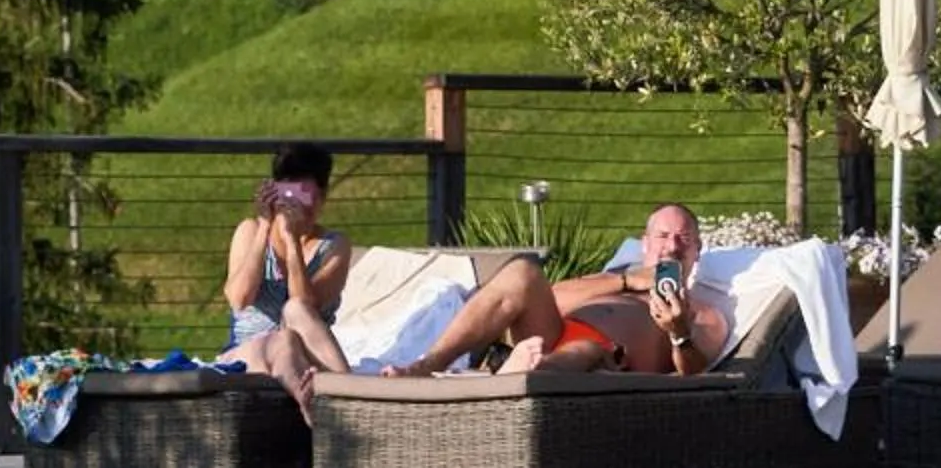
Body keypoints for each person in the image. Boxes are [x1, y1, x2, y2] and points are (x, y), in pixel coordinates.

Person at [381, 202, 725, 378]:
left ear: (698, 249)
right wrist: (627, 280)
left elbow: (694, 370)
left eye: (684, 238)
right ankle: (429, 363)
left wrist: (679, 334)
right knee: (522, 271)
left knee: (587, 348)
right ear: (645, 244)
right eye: (663, 237)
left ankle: (520, 376)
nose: (672, 246)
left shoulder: (703, 312)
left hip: (606, 362)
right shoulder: (615, 278)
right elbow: (550, 297)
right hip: (548, 334)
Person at [214, 143, 355, 417]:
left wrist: (292, 241)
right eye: (292, 192)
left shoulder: (334, 246)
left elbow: (307, 303)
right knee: (282, 340)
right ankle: (320, 402)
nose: (301, 203)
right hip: (250, 353)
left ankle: (344, 392)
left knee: (296, 311)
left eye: (309, 194)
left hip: (308, 356)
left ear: (323, 197)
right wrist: (266, 227)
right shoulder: (250, 230)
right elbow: (239, 299)